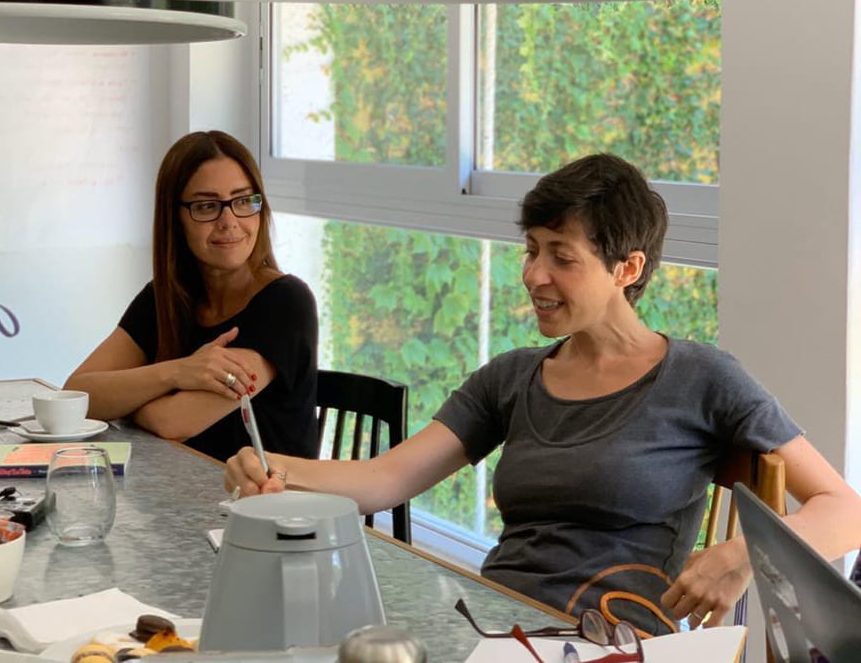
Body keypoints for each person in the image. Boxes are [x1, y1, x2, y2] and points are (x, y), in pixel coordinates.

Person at [224, 153, 861, 635]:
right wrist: (277, 468)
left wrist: (743, 552)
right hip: (496, 628)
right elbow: (385, 480)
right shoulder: (512, 376)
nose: (534, 275)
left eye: (562, 256)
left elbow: (846, 508)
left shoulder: (703, 378)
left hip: (611, 642)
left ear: (627, 269)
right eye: (531, 251)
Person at [66, 130, 318, 463]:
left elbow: (173, 423)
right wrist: (177, 372)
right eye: (207, 206)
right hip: (183, 492)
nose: (229, 221)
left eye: (243, 201)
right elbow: (76, 395)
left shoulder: (286, 303)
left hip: (267, 506)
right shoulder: (166, 296)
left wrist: (129, 403)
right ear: (176, 218)